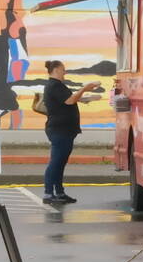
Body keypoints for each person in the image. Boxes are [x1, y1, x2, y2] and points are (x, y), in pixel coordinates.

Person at [41, 59, 101, 205]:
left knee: (60, 162)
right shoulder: (54, 86)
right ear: (55, 70)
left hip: (65, 130)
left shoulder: (58, 86)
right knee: (56, 162)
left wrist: (85, 98)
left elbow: (68, 101)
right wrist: (84, 89)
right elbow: (69, 101)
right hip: (59, 130)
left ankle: (59, 192)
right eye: (63, 69)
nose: (64, 72)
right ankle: (49, 193)